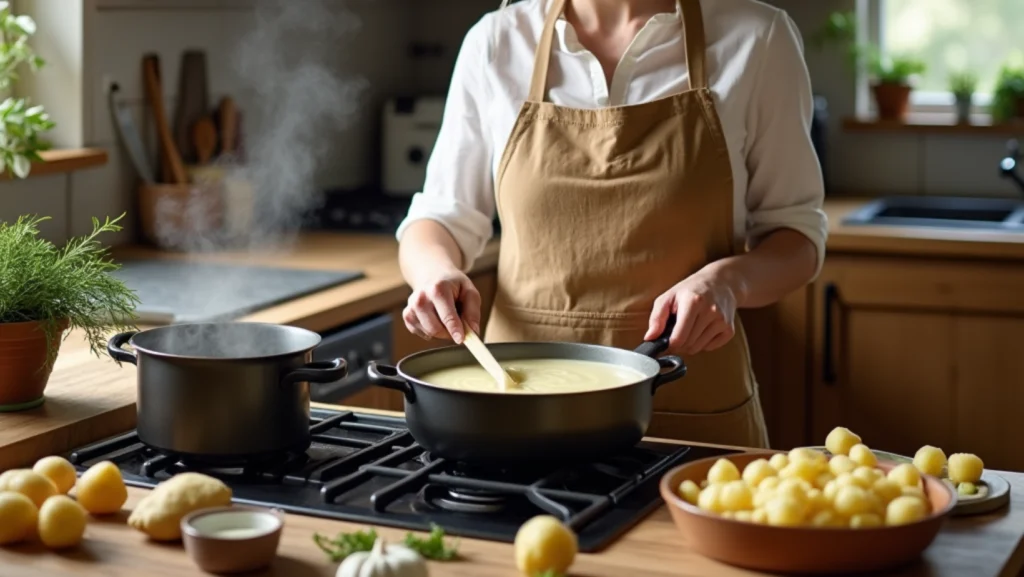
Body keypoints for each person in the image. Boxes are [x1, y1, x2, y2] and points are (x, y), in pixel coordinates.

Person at [395, 0, 827, 448]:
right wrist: (435, 274)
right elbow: (440, 217)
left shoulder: (757, 38)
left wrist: (728, 282)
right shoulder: (498, 41)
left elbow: (796, 235)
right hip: (518, 408)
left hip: (691, 405)